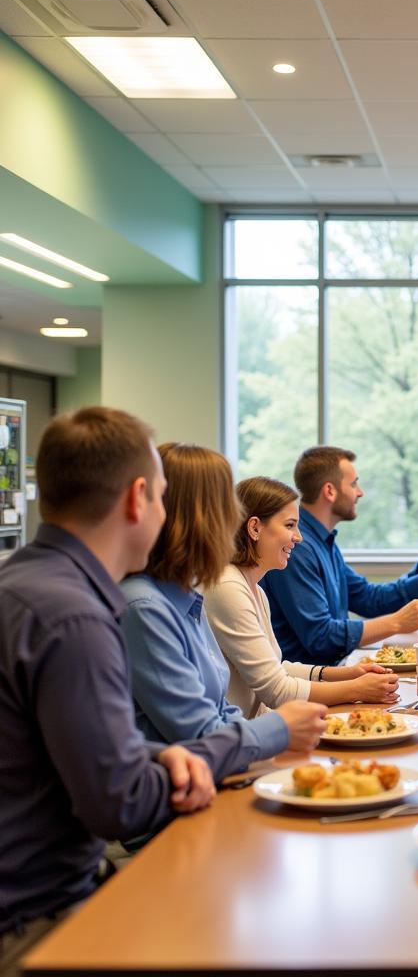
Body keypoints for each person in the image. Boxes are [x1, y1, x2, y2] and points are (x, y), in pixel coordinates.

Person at [0, 408, 243, 967]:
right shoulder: (77, 617)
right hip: (41, 918)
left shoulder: (25, 582)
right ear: (137, 499)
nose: (164, 514)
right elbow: (121, 806)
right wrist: (195, 762)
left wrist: (160, 755)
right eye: (161, 497)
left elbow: (56, 750)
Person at [119, 444, 326, 765]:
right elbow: (201, 735)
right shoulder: (145, 607)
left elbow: (222, 708)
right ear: (196, 518)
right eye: (226, 508)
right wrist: (281, 728)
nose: (235, 520)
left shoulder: (185, 595)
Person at [206, 476, 400, 715]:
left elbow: (277, 669)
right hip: (247, 739)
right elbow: (277, 690)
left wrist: (345, 674)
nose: (299, 537)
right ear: (254, 528)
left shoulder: (255, 590)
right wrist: (355, 689)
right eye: (289, 525)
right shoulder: (228, 586)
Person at [262, 446, 418, 666]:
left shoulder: (324, 542)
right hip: (311, 685)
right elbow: (321, 637)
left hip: (332, 673)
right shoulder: (298, 546)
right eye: (353, 484)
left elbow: (367, 598)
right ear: (330, 491)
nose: (359, 492)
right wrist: (396, 623)